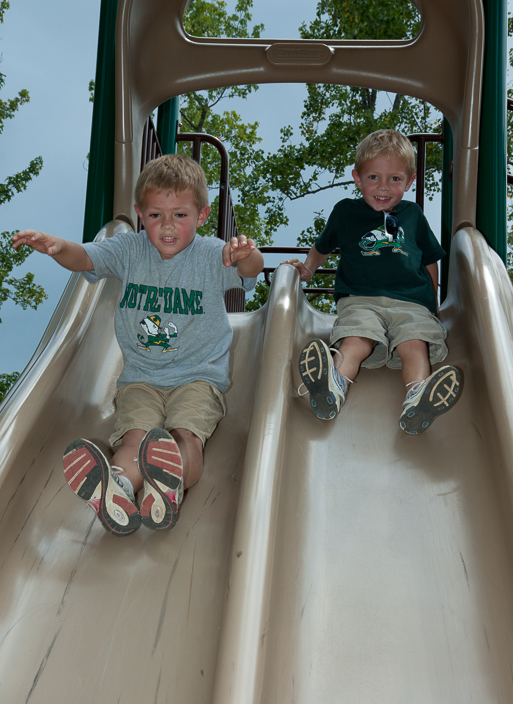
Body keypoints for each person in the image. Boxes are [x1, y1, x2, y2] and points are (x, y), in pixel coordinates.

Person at [12, 154, 263, 536]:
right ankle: (120, 489)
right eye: (155, 215)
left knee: (185, 437)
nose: (167, 226)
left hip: (197, 378)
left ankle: (169, 486)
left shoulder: (213, 254)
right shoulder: (128, 249)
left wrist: (248, 255)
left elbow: (251, 272)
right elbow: (84, 257)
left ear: (202, 215)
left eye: (180, 215)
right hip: (140, 380)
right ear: (139, 213)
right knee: (133, 442)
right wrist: (56, 245)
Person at [282, 129, 461, 434]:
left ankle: (417, 397)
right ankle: (333, 388)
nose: (383, 187)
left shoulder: (412, 214)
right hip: (360, 298)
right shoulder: (346, 212)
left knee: (414, 344)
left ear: (410, 181)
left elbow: (430, 260)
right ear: (357, 177)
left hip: (411, 301)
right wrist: (308, 270)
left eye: (394, 179)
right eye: (373, 177)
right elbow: (322, 247)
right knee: (356, 340)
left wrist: (433, 302)